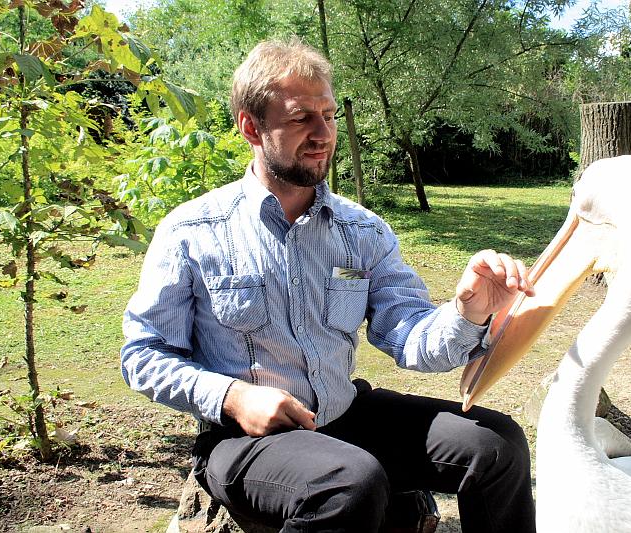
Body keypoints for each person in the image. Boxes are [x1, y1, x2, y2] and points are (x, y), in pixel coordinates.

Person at [121, 38, 536, 533]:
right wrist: (233, 397)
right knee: (349, 482)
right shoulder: (194, 231)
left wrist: (467, 313)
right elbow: (143, 356)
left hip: (345, 413)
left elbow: (407, 335)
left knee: (497, 443)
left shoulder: (362, 231)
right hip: (244, 438)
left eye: (330, 115)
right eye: (301, 118)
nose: (323, 134)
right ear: (251, 127)